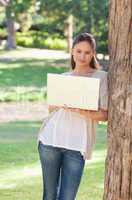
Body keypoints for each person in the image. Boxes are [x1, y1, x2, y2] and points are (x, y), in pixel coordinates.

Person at [38, 32, 108, 200]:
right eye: (79, 51)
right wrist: (60, 102)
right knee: (49, 195)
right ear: (72, 51)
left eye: (87, 52)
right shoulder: (63, 78)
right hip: (50, 141)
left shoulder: (101, 77)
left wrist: (82, 111)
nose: (82, 56)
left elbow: (105, 114)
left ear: (93, 54)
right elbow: (51, 110)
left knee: (68, 197)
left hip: (76, 147)